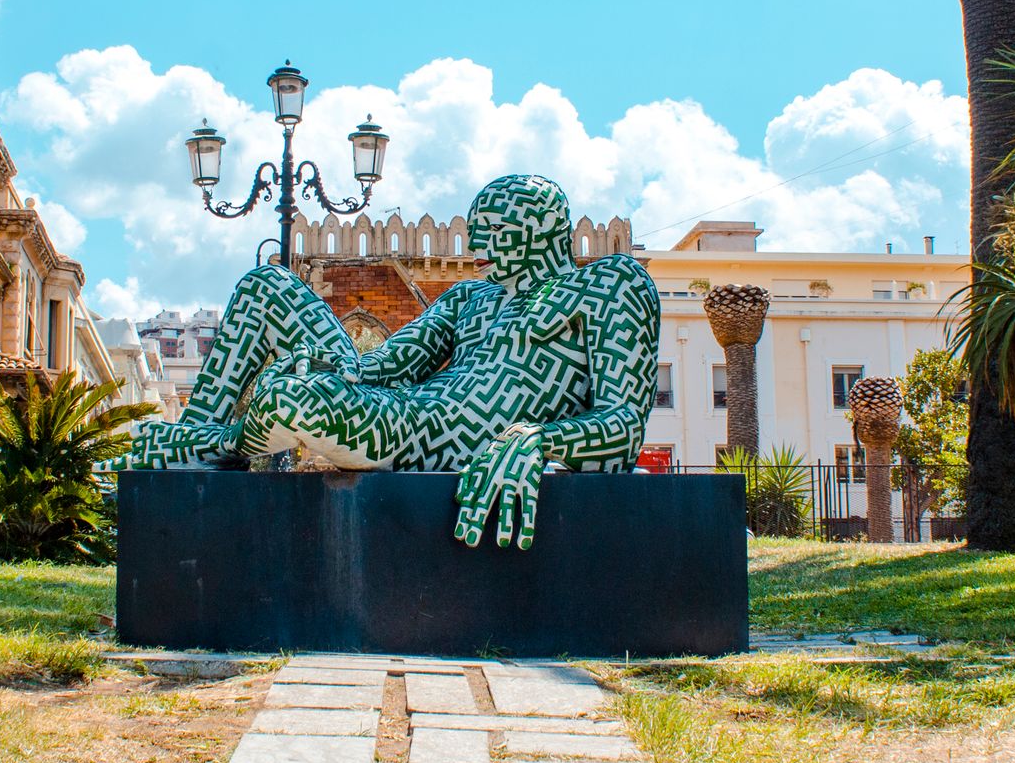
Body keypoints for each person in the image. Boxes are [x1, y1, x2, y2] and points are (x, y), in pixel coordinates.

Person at [121, 173, 661, 550]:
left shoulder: (607, 286)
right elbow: (379, 367)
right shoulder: (469, 298)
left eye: (495, 230)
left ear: (540, 230)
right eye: (477, 229)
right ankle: (194, 445)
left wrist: (539, 441)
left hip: (429, 437)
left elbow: (622, 427)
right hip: (400, 411)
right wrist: (319, 362)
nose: (478, 243)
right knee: (266, 286)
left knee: (289, 400)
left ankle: (216, 443)